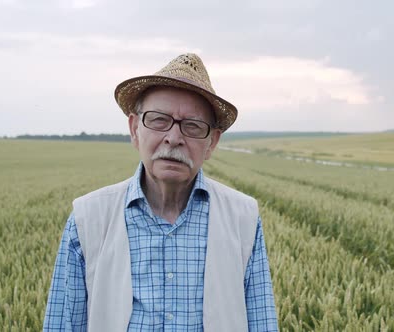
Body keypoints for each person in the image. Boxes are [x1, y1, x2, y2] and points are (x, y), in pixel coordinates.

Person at [44, 53, 278, 331]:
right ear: (134, 129)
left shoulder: (243, 218)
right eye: (158, 120)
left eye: (192, 126)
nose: (174, 138)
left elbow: (262, 323)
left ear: (212, 143)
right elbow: (62, 325)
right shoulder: (87, 219)